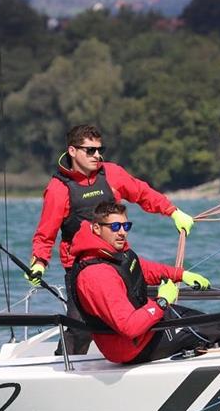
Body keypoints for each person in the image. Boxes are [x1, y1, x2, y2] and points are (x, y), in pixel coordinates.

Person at [27, 124, 194, 354]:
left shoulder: (112, 173)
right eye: (90, 150)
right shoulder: (58, 189)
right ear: (72, 151)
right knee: (79, 326)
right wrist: (39, 263)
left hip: (119, 260)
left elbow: (143, 193)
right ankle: (64, 366)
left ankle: (144, 351)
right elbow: (46, 233)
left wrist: (172, 211)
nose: (97, 155)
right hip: (83, 269)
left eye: (99, 149)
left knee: (136, 307)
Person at [69, 202, 220, 364]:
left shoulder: (113, 253)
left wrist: (180, 274)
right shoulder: (96, 275)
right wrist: (162, 302)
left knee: (210, 323)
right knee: (214, 331)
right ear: (97, 228)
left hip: (148, 323)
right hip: (132, 347)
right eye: (115, 227)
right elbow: (129, 327)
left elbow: (141, 269)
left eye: (126, 226)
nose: (122, 232)